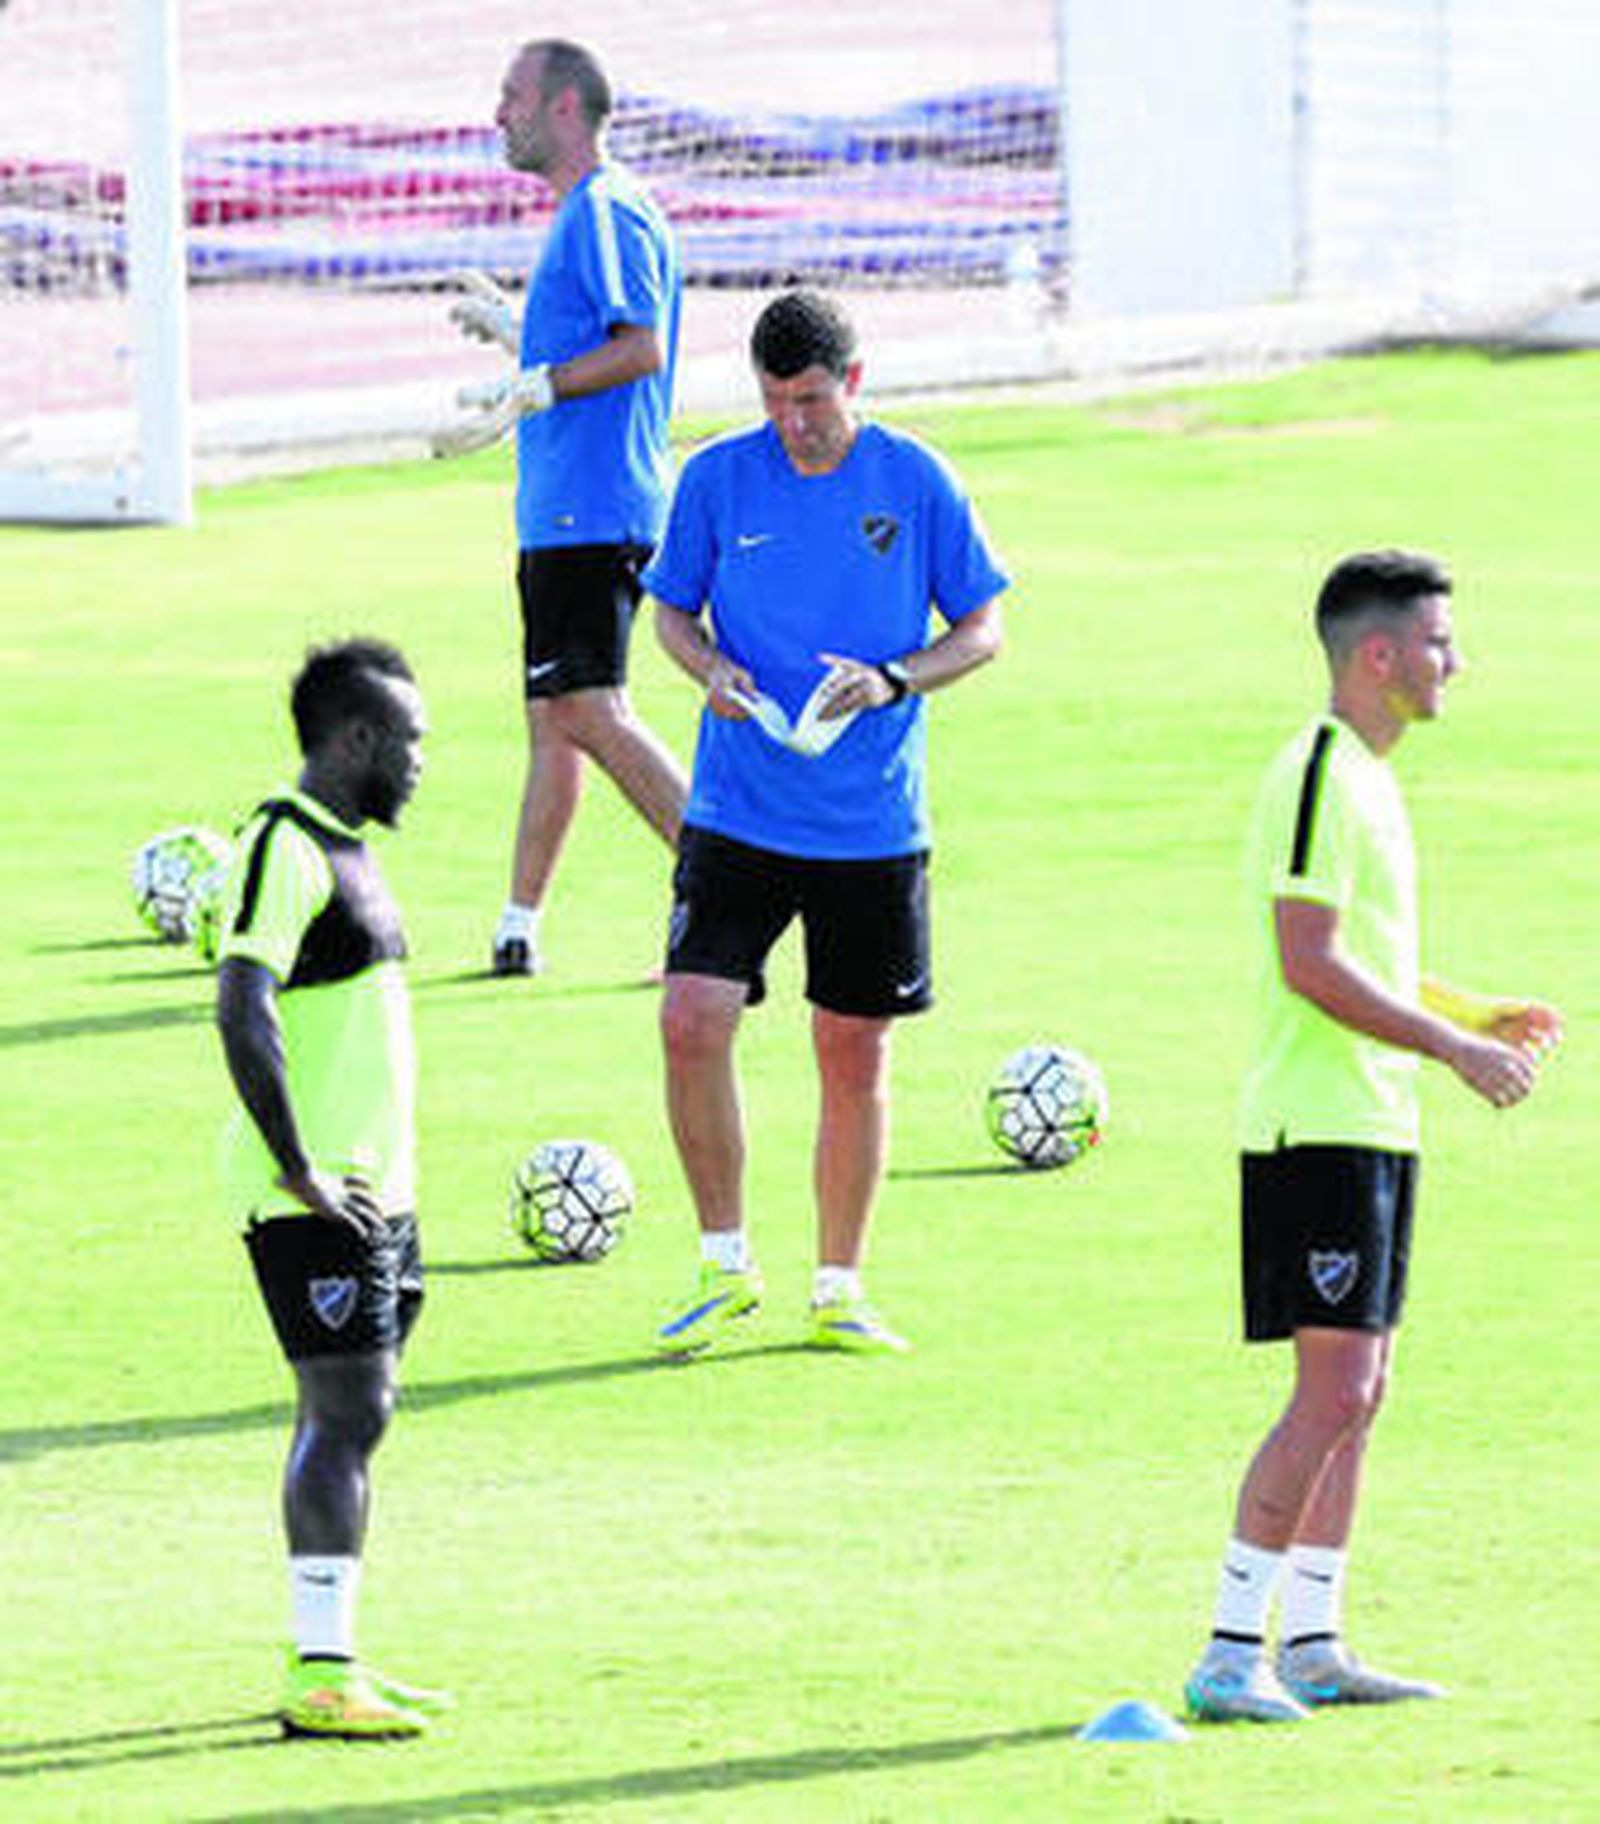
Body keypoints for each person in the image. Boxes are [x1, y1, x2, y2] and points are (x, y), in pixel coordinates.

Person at [1184, 551, 1563, 1724]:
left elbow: (1365, 954)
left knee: (1362, 1391)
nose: (1458, 663)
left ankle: (1311, 1645)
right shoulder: (1317, 772)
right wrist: (1452, 1054)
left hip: (1372, 1123)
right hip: (1318, 1126)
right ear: (1380, 656)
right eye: (1441, 643)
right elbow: (1309, 964)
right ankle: (1224, 1652)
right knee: (1329, 1391)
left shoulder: (1372, 781)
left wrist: (1467, 1012)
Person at [645, 288, 1008, 1358]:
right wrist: (707, 667)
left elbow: (981, 627)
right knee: (690, 1019)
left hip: (869, 825)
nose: (793, 424)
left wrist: (894, 680)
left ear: (852, 382)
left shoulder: (915, 479)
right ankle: (723, 1267)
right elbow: (670, 611)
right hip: (737, 808)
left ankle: (839, 1285)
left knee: (851, 1050)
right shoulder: (716, 477)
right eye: (772, 402)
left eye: (809, 400)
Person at [214, 638, 446, 1740]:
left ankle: (337, 1653)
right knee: (347, 1410)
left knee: (359, 1413)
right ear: (353, 740)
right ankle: (321, 1668)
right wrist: (297, 1166)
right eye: (408, 742)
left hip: (374, 1192)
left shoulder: (349, 845)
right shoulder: (283, 843)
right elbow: (242, 1005)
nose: (419, 763)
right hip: (313, 1193)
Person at [439, 37, 688, 977]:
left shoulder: (606, 210)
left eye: (512, 97)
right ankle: (517, 926)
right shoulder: (582, 217)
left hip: (594, 507)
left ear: (565, 110)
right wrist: (515, 330)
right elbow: (588, 337)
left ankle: (718, 888)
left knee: (589, 708)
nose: (497, 113)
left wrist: (534, 386)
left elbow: (641, 348)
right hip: (561, 510)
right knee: (555, 718)